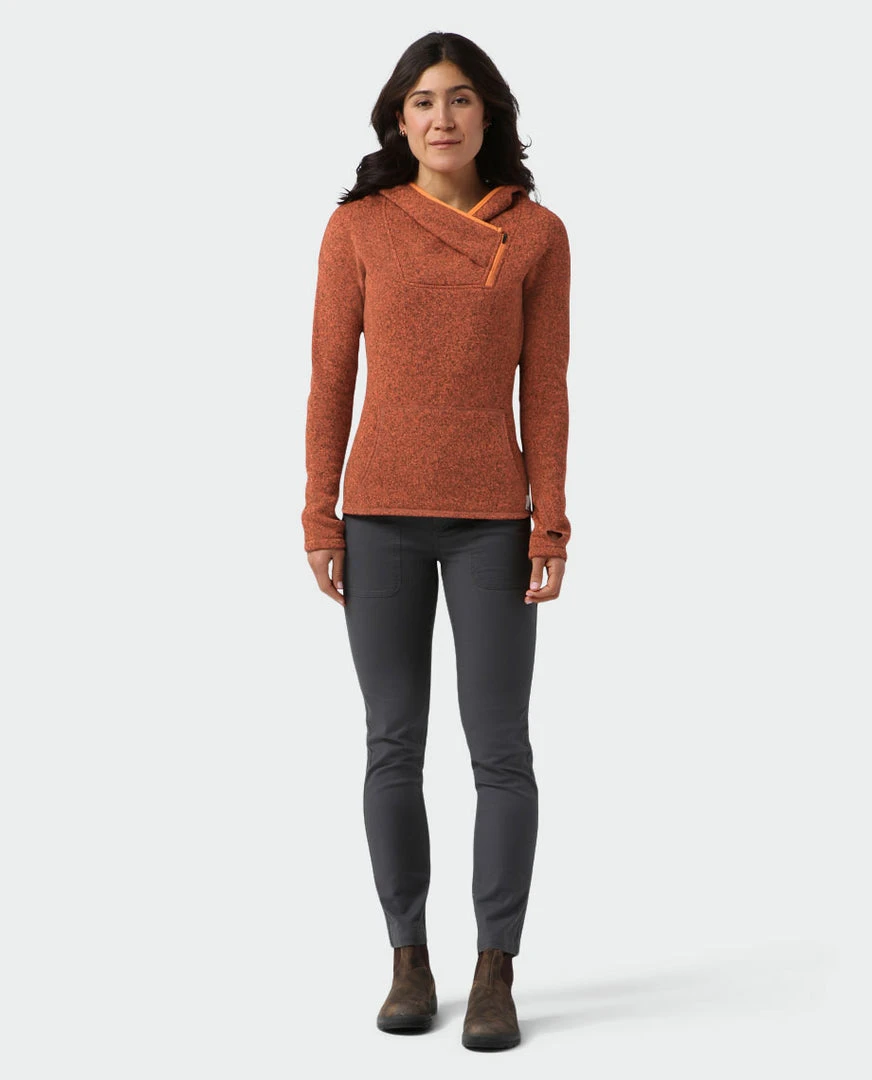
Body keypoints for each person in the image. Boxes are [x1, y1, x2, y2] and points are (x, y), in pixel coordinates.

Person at [302, 30, 572, 1051]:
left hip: (492, 521)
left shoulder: (535, 234)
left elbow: (545, 389)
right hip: (378, 517)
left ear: (486, 112)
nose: (441, 117)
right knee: (392, 743)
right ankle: (407, 960)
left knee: (501, 750)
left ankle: (495, 969)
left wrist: (549, 518)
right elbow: (331, 376)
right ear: (398, 119)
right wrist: (319, 511)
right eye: (422, 101)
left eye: (458, 98)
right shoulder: (358, 228)